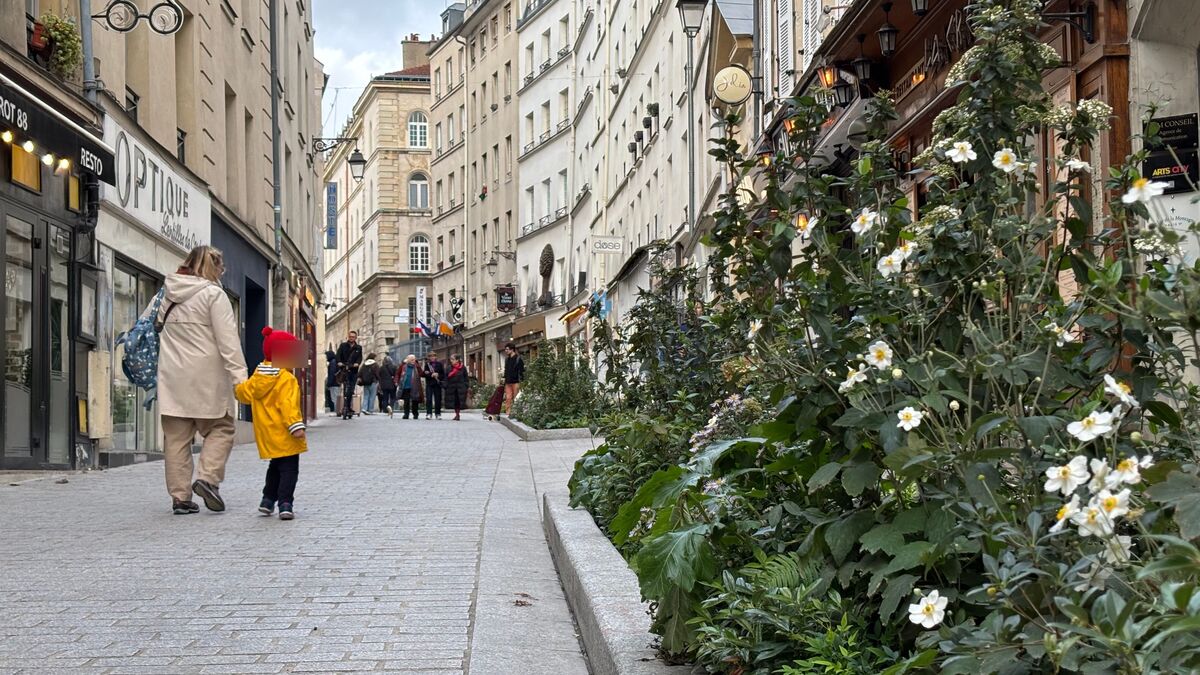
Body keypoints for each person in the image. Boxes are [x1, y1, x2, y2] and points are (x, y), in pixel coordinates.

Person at [155, 245, 248, 515]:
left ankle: (180, 498)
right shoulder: (213, 295)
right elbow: (228, 342)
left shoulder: (167, 294)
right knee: (221, 428)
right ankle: (207, 479)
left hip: (172, 378)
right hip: (207, 378)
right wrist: (240, 378)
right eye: (221, 268)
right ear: (214, 268)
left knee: (176, 439)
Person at [235, 327, 307, 521]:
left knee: (275, 465)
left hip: (266, 433)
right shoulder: (286, 379)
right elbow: (288, 405)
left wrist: (236, 387)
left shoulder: (258, 376)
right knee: (289, 468)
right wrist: (296, 426)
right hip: (285, 432)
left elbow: (243, 393)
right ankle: (285, 502)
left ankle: (267, 500)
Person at [335, 330, 362, 419]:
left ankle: (348, 407)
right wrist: (339, 362)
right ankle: (346, 407)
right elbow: (338, 355)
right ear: (348, 337)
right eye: (350, 337)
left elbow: (360, 358)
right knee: (345, 389)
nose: (352, 338)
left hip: (353, 370)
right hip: (344, 369)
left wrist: (357, 363)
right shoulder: (343, 346)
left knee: (351, 389)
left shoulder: (358, 347)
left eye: (353, 337)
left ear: (356, 338)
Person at [394, 354, 424, 420]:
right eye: (412, 360)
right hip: (406, 386)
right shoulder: (403, 366)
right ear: (408, 360)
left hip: (415, 386)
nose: (413, 361)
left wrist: (418, 366)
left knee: (415, 401)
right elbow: (398, 374)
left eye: (414, 359)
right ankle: (406, 414)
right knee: (406, 401)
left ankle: (415, 414)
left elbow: (421, 373)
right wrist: (396, 381)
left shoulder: (416, 366)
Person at [502, 342, 525, 416]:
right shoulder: (507, 359)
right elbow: (506, 370)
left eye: (507, 349)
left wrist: (522, 380)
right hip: (508, 382)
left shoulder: (518, 359)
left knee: (516, 398)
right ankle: (508, 412)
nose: (506, 351)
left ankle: (516, 412)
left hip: (516, 381)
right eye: (505, 349)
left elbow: (522, 371)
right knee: (508, 398)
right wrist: (504, 379)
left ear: (512, 350)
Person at [444, 354, 469, 421]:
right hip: (452, 388)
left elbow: (466, 377)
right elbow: (446, 377)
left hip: (460, 388)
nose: (451, 361)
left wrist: (466, 386)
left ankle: (458, 415)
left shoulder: (463, 368)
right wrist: (445, 386)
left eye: (453, 359)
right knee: (454, 402)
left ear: (457, 360)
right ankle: (457, 414)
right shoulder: (448, 368)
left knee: (459, 401)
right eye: (451, 359)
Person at [424, 353, 446, 420]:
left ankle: (438, 413)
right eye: (431, 356)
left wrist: (438, 374)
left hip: (437, 384)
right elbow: (425, 373)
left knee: (438, 399)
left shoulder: (440, 364)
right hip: (429, 384)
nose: (432, 357)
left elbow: (443, 374)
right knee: (429, 399)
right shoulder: (427, 365)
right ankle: (429, 413)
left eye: (433, 356)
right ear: (429, 357)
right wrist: (431, 374)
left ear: (436, 357)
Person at [324, 349, 338, 414]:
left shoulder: (333, 362)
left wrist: (329, 383)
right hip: (335, 383)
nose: (326, 357)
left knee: (334, 397)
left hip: (334, 383)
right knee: (334, 397)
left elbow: (332, 374)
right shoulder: (334, 361)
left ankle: (336, 410)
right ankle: (336, 410)